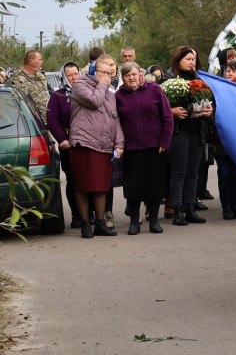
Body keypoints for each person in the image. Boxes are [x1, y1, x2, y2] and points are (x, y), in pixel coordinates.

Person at [68, 54, 123, 238]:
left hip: (104, 145)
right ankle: (85, 224)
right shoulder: (81, 86)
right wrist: (103, 84)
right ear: (93, 72)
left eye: (110, 72)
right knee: (83, 186)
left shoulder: (110, 94)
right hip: (84, 143)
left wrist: (119, 144)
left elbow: (115, 121)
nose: (107, 75)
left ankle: (100, 223)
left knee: (101, 186)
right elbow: (93, 101)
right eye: (103, 72)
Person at [115, 61, 173, 234]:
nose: (131, 78)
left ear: (140, 73)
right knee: (133, 188)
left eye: (134, 74)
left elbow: (168, 117)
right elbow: (115, 123)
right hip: (131, 149)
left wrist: (164, 141)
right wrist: (119, 145)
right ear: (123, 78)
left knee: (155, 187)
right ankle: (134, 223)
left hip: (154, 147)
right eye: (127, 75)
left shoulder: (155, 90)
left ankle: (154, 221)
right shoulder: (118, 96)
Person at [165, 46, 212, 226]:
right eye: (188, 59)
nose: (192, 62)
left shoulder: (200, 79)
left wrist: (209, 109)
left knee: (193, 172)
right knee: (179, 172)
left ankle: (190, 208)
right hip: (178, 131)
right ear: (178, 61)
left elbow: (211, 99)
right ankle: (177, 210)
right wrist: (172, 111)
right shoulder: (168, 79)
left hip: (197, 129)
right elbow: (158, 107)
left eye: (193, 59)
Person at [46, 62, 82, 227]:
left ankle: (92, 214)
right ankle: (77, 215)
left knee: (89, 179)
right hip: (69, 145)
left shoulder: (87, 92)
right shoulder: (58, 96)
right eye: (70, 75)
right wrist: (62, 139)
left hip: (89, 143)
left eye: (76, 74)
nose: (74, 78)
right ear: (64, 77)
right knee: (73, 180)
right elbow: (52, 119)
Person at [214, 61, 236, 220]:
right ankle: (226, 206)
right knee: (225, 173)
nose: (230, 73)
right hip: (222, 139)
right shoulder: (217, 89)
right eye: (228, 70)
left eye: (234, 71)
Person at [5, 49, 49, 116]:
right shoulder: (17, 79)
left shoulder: (40, 77)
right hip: (32, 123)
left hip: (48, 120)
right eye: (39, 60)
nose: (42, 62)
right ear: (31, 61)